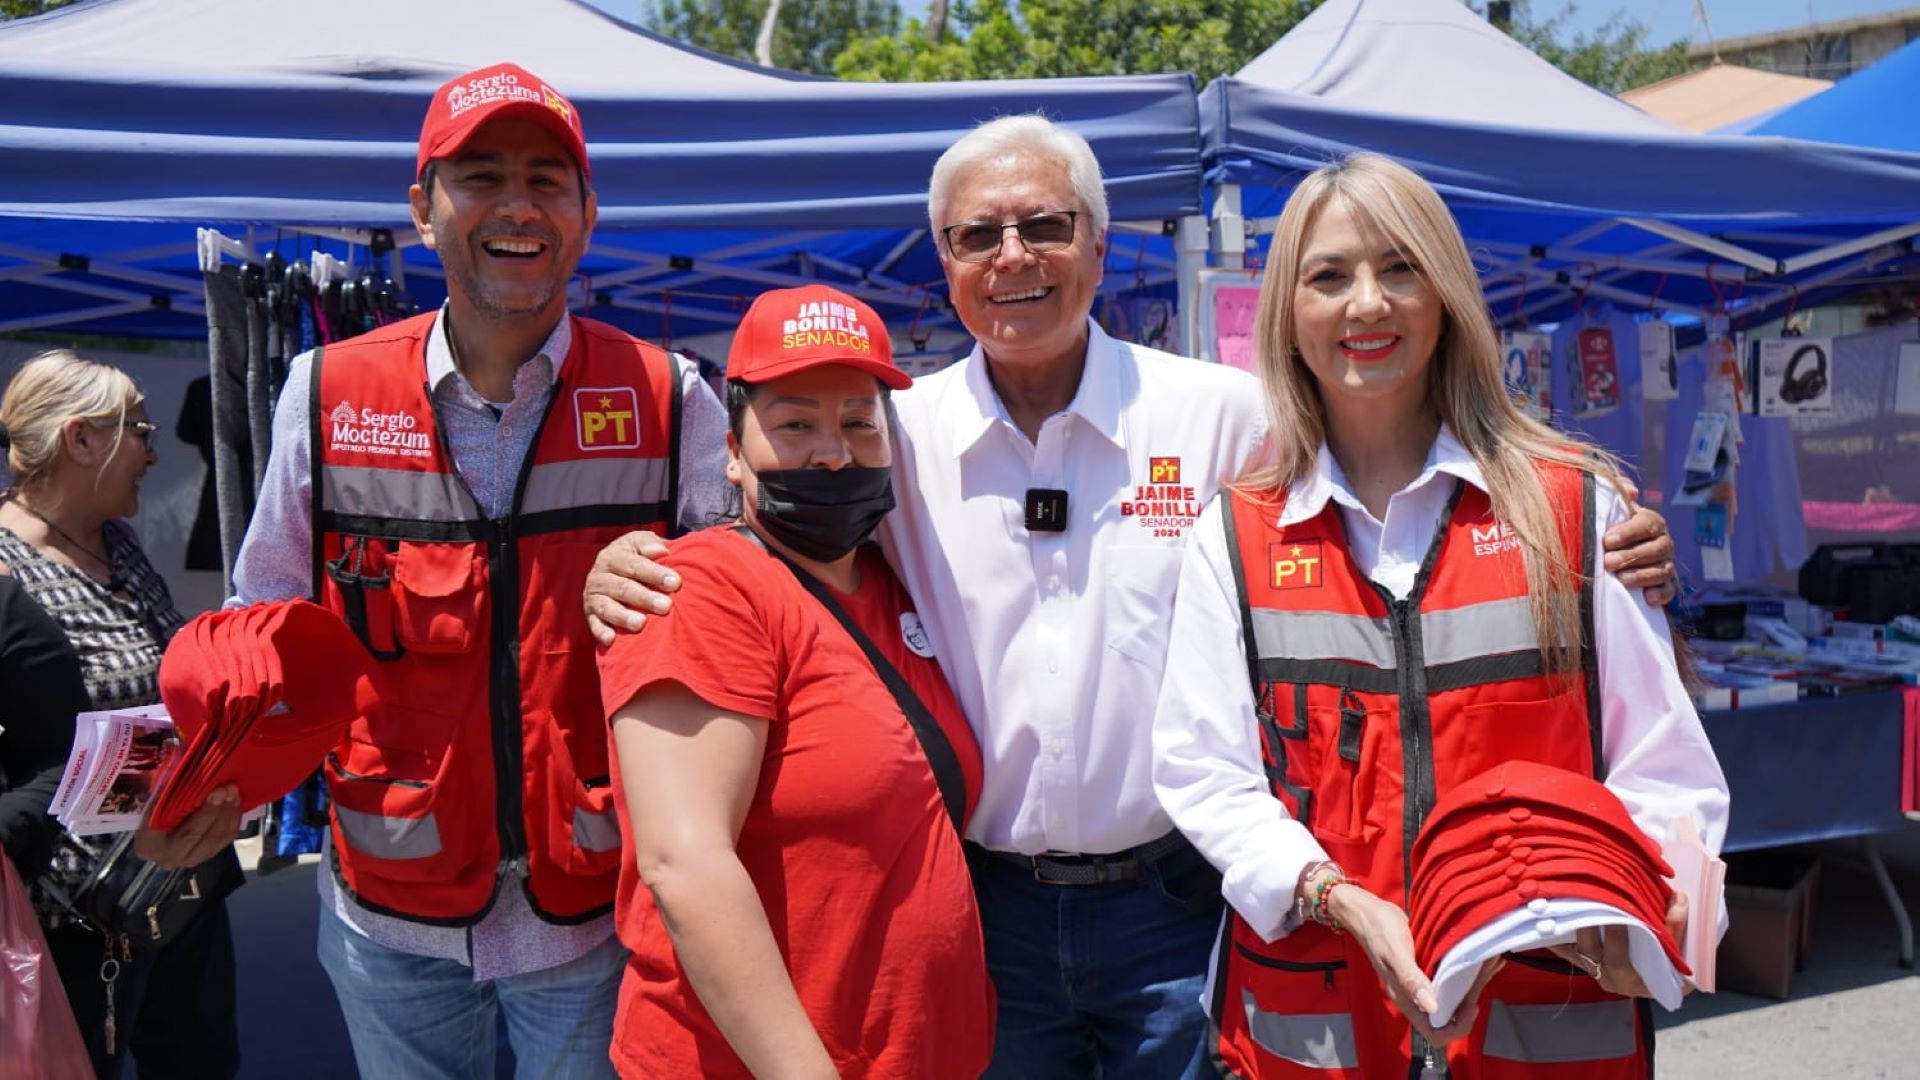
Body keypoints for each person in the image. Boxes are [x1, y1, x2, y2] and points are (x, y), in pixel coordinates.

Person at [584, 116, 1679, 1078]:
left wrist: (1595, 523)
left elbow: (1386, 478)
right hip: (984, 906)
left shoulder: (1223, 417)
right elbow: (770, 526)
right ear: (946, 265)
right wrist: (630, 560)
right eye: (979, 236)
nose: (1016, 257)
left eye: (1048, 227)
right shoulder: (893, 434)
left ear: (1102, 250)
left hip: (1173, 899)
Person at [141, 63, 732, 1078]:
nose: (517, 206)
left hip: (592, 919)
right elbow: (262, 621)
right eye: (482, 176)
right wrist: (211, 785)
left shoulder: (671, 398)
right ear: (423, 209)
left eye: (548, 180)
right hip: (389, 914)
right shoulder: (323, 390)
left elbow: (736, 646)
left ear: (589, 215)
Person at [1150, 152, 1729, 1077]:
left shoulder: (1575, 510)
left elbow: (1663, 765)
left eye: (1400, 267)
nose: (1367, 304)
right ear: (1287, 317)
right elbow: (1204, 772)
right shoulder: (1236, 535)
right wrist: (1337, 897)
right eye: (1329, 276)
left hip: (1545, 1016)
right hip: (1321, 1022)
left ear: (1447, 295)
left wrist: (1646, 910)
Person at [601, 285, 994, 1079]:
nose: (833, 452)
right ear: (735, 452)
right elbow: (685, 864)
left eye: (858, 421)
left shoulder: (891, 580)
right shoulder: (702, 591)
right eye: (796, 424)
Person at [0, 349, 243, 1078]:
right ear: (80, 440)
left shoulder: (121, 545)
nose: (153, 450)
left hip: (185, 886)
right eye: (139, 429)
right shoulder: (7, 572)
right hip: (77, 915)